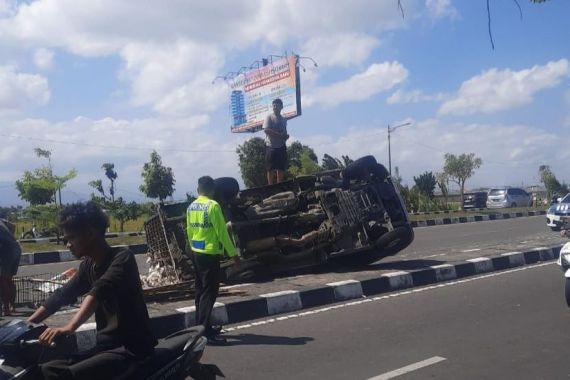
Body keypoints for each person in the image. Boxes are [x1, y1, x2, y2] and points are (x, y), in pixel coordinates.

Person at [27, 201, 157, 380]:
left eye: (71, 238)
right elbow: (62, 295)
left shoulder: (122, 258)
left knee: (67, 376)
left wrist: (69, 327)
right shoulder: (88, 265)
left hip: (132, 349)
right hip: (105, 348)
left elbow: (99, 289)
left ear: (90, 234)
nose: (68, 245)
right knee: (45, 371)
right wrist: (26, 326)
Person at [187, 176, 240, 345]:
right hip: (209, 254)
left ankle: (203, 327)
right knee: (209, 293)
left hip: (196, 252)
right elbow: (222, 233)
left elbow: (189, 231)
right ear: (212, 190)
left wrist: (192, 250)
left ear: (198, 190)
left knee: (200, 291)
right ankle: (204, 334)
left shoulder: (191, 206)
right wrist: (233, 254)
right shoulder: (213, 206)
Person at [263, 98, 289, 185]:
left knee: (280, 167)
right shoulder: (269, 117)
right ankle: (270, 186)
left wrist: (286, 136)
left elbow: (284, 131)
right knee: (270, 168)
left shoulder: (284, 119)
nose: (274, 106)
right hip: (271, 146)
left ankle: (279, 185)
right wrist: (281, 136)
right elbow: (267, 130)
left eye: (277, 105)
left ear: (281, 106)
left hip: (281, 146)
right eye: (273, 105)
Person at [0, 218, 21, 316]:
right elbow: (12, 225)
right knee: (8, 279)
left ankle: (6, 309)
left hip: (6, 250)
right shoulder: (1, 221)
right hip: (16, 247)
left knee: (3, 279)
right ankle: (13, 306)